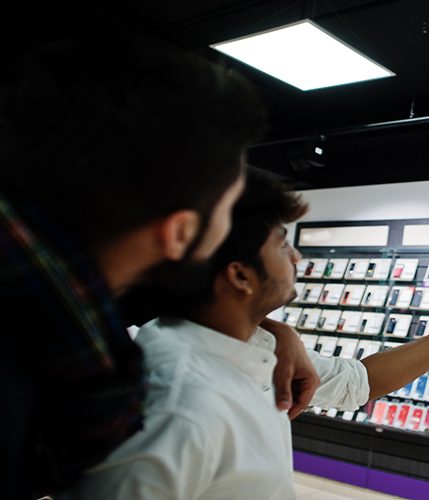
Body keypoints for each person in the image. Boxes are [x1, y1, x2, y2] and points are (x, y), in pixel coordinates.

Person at [63, 171, 429, 499]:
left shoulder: (262, 349)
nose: (298, 257)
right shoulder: (176, 406)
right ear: (240, 275)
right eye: (282, 243)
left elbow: (360, 381)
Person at [0, 35, 319, 499]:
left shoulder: (55, 304)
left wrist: (273, 331)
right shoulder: (35, 383)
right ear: (179, 234)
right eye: (229, 209)